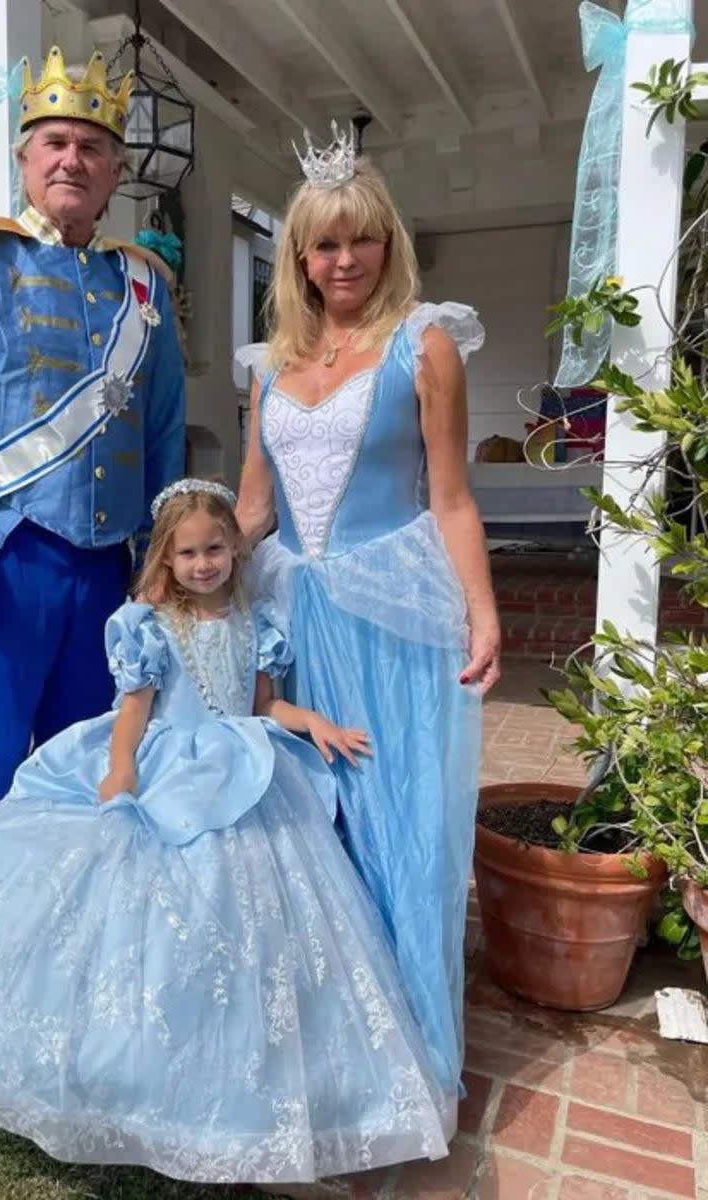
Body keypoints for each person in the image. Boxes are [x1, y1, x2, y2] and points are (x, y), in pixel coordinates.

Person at [0, 479, 454, 1191]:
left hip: (241, 768)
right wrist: (120, 771)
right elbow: (132, 711)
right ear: (165, 560)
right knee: (136, 908)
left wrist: (315, 724)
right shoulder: (146, 624)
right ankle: (116, 1069)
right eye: (189, 553)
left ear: (235, 549)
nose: (204, 564)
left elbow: (267, 705)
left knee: (249, 913)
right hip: (164, 768)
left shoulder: (258, 620)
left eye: (215, 549)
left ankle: (232, 1070)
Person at [235, 130, 501, 1138]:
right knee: (307, 826)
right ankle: (322, 1039)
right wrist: (181, 571)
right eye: (322, 247)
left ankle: (409, 1061)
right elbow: (255, 506)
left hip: (394, 618)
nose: (343, 264)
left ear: (388, 246)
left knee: (400, 824)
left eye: (361, 243)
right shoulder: (270, 365)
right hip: (293, 615)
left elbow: (451, 497)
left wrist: (482, 612)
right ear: (297, 259)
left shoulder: (424, 343)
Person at [0, 47, 185, 848]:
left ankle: (58, 939)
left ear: (115, 170)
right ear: (25, 158)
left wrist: (160, 565)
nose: (71, 160)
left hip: (109, 573)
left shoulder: (142, 286)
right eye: (54, 143)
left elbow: (163, 435)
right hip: (1, 564)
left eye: (91, 147)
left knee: (84, 763)